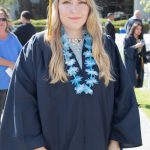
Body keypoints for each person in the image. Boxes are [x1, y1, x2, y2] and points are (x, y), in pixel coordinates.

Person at [0, 0, 142, 150]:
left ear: (89, 7)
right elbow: (22, 101)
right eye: (66, 2)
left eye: (82, 2)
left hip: (99, 143)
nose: (74, 10)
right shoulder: (38, 47)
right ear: (56, 6)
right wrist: (36, 146)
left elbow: (123, 97)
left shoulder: (105, 46)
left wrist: (115, 141)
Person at [0, 8, 22, 119]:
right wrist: (11, 64)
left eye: (3, 19)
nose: (1, 22)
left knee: (11, 118)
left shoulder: (13, 37)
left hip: (13, 83)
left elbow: (22, 55)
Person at [124, 22, 145, 87]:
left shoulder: (141, 39)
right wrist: (135, 46)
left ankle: (132, 97)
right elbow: (126, 51)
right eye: (137, 29)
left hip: (139, 63)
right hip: (131, 63)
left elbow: (143, 53)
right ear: (133, 29)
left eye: (140, 29)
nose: (139, 31)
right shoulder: (128, 38)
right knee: (131, 83)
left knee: (136, 82)